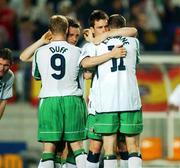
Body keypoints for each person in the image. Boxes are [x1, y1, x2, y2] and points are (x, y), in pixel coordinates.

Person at [80, 13, 143, 168]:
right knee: (132, 147)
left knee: (108, 149)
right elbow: (133, 32)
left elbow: (86, 68)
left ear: (108, 27)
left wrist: (98, 40)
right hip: (130, 101)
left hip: (106, 103)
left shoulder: (94, 45)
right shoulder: (134, 42)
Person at [32, 15, 87, 168]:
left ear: (50, 31)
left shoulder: (40, 52)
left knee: (49, 150)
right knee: (77, 147)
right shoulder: (77, 51)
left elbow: (37, 76)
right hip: (72, 100)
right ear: (66, 30)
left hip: (50, 100)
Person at [0, 48, 14, 120]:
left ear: (11, 65)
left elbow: (3, 100)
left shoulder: (10, 76)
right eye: (0, 64)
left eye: (5, 65)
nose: (1, 68)